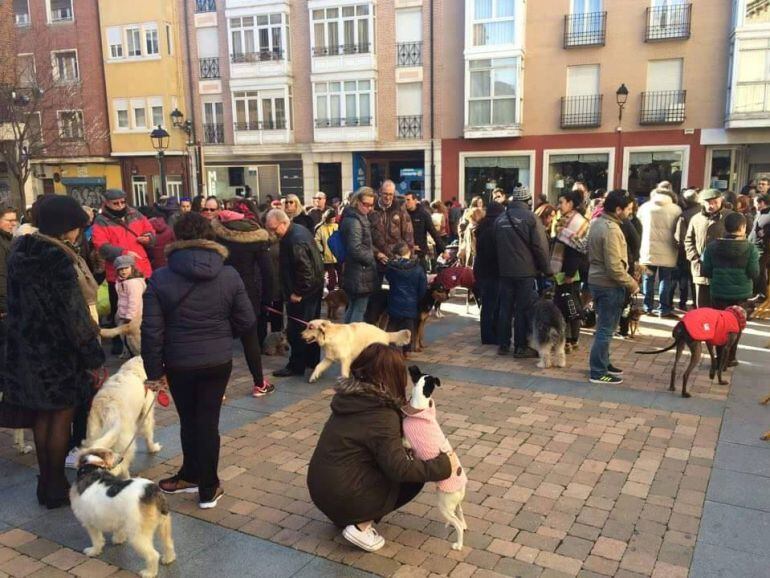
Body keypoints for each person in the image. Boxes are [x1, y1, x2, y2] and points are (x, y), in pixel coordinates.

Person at [142, 213, 257, 509]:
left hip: (179, 361)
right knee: (205, 421)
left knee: (192, 420)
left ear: (177, 239)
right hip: (217, 360)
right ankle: (198, 479)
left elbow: (151, 330)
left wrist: (154, 372)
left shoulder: (160, 277)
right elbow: (246, 320)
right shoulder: (229, 274)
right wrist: (219, 333)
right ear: (211, 238)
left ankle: (204, 482)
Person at [3, 195, 105, 508]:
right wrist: (93, 356)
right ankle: (57, 483)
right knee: (60, 418)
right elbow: (73, 314)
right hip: (58, 352)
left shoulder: (20, 250)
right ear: (65, 227)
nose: (78, 233)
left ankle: (46, 482)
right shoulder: (58, 258)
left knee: (41, 418)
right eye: (76, 227)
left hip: (25, 348)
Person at [307, 344, 454, 552]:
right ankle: (360, 526)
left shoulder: (349, 398)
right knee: (412, 475)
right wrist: (442, 466)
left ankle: (347, 516)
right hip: (342, 495)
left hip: (321, 491)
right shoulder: (381, 414)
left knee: (392, 462)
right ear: (393, 376)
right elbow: (399, 469)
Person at [211, 210, 274, 397]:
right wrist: (267, 299)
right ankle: (259, 383)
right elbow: (267, 272)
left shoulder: (217, 237)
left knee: (222, 343)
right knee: (250, 341)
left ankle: (219, 390)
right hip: (248, 293)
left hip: (221, 292)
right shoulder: (256, 240)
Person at [91, 189, 154, 355]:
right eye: (115, 203)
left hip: (142, 270)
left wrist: (148, 238)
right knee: (120, 310)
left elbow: (150, 231)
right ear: (106, 203)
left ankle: (146, 339)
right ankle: (119, 342)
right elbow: (101, 246)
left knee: (145, 309)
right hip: (118, 273)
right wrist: (124, 253)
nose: (120, 206)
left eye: (122, 202)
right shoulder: (101, 220)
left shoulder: (136, 214)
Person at [587, 190, 639, 385]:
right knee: (605, 330)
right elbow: (614, 267)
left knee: (604, 327)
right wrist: (632, 284)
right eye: (628, 209)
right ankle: (598, 371)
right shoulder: (610, 229)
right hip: (608, 284)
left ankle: (603, 362)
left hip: (599, 281)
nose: (630, 213)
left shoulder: (598, 222)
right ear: (618, 209)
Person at [265, 209, 324, 377]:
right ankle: (311, 360)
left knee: (297, 330)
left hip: (303, 293)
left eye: (274, 228)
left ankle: (296, 365)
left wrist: (298, 292)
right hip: (313, 289)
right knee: (311, 326)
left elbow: (305, 269)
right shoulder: (297, 231)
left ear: (283, 223)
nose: (272, 232)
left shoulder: (294, 239)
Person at [494, 185, 551, 357]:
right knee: (522, 309)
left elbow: (495, 246)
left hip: (504, 271)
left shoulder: (500, 219)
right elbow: (540, 247)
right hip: (525, 271)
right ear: (528, 200)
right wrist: (547, 269)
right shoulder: (531, 218)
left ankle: (503, 344)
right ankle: (520, 347)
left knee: (505, 308)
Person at [637, 186, 682, 318]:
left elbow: (639, 226)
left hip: (648, 249)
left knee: (648, 278)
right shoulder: (676, 209)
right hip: (668, 250)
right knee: (665, 280)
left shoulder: (645, 207)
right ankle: (663, 308)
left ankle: (647, 307)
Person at [552, 190, 589, 352]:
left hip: (569, 270)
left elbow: (576, 251)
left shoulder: (574, 222)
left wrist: (569, 274)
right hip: (566, 269)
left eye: (562, 202)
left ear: (570, 204)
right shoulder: (565, 221)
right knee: (571, 301)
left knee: (566, 303)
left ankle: (568, 340)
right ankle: (572, 339)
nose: (559, 206)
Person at [685, 189, 732, 308]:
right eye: (708, 202)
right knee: (702, 305)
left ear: (721, 201)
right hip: (700, 267)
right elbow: (688, 240)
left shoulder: (730, 217)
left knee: (720, 307)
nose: (712, 205)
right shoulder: (696, 218)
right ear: (702, 203)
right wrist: (694, 257)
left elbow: (738, 239)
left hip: (722, 269)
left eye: (715, 202)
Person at [703, 212, 759, 309]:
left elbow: (706, 271)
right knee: (737, 322)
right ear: (742, 227)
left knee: (720, 320)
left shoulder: (711, 247)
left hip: (718, 293)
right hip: (742, 295)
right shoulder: (750, 248)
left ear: (725, 227)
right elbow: (754, 273)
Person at [340, 188, 378, 323]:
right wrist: (371, 258)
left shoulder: (355, 217)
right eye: (365, 204)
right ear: (357, 201)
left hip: (356, 270)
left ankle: (347, 339)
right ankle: (352, 341)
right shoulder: (355, 220)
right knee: (359, 308)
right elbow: (355, 249)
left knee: (354, 306)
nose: (368, 208)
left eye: (371, 205)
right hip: (359, 271)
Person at [385, 242, 427, 352]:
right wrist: (417, 298)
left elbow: (389, 279)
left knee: (392, 325)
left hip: (394, 300)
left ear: (396, 255)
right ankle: (406, 350)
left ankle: (390, 348)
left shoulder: (391, 268)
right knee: (409, 326)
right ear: (408, 252)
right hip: (411, 302)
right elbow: (422, 287)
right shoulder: (418, 268)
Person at [474, 202, 504, 345]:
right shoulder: (496, 229)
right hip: (494, 272)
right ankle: (490, 335)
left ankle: (487, 334)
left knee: (487, 305)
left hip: (482, 271)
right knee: (493, 305)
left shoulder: (482, 226)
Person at [370, 180, 414, 278]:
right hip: (377, 256)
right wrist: (376, 253)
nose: (388, 197)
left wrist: (410, 258)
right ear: (380, 192)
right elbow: (366, 235)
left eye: (391, 194)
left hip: (396, 256)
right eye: (385, 194)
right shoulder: (371, 209)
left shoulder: (400, 209)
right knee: (375, 289)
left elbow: (408, 234)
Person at [113, 254, 146, 356]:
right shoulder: (122, 282)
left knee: (136, 342)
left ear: (132, 267)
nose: (123, 271)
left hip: (133, 318)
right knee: (127, 339)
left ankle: (139, 358)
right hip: (124, 316)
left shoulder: (133, 283)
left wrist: (129, 317)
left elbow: (134, 302)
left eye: (126, 268)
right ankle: (130, 354)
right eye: (120, 269)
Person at [404, 192, 444, 272]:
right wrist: (410, 246)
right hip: (405, 253)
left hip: (420, 253)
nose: (406, 202)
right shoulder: (403, 214)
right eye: (405, 200)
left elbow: (433, 232)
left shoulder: (423, 214)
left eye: (408, 200)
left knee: (421, 279)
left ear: (415, 201)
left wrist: (443, 249)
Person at [674, 189, 700, 310]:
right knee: (696, 280)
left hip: (686, 252)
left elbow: (680, 237)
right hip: (700, 252)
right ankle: (697, 303)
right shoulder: (703, 213)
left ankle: (683, 303)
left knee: (684, 279)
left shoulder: (684, 216)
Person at [0, 205, 18, 345]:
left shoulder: (8, 239)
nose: (13, 224)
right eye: (9, 220)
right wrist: (4, 307)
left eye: (15, 220)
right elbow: (2, 275)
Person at [749, 193, 770, 302]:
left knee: (757, 271)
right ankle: (761, 293)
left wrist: (764, 234)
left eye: (755, 202)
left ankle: (758, 293)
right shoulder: (759, 213)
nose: (754, 205)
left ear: (762, 203)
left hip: (763, 249)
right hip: (754, 247)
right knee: (760, 272)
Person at [314, 208, 340, 291]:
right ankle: (331, 292)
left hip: (338, 255)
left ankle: (340, 292)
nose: (334, 219)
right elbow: (316, 240)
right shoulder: (321, 228)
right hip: (327, 256)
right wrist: (321, 250)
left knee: (341, 275)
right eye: (332, 218)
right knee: (331, 277)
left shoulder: (337, 226)